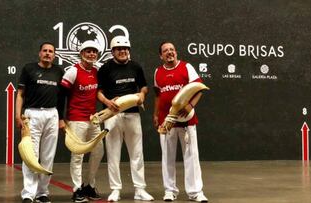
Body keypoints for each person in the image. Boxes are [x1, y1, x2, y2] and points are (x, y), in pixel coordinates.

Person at [97, 35, 154, 202]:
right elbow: (98, 92)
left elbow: (144, 86)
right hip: (112, 115)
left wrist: (142, 94)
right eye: (119, 49)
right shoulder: (105, 68)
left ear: (129, 51)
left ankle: (140, 189)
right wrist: (107, 102)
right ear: (113, 51)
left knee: (137, 153)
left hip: (133, 114)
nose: (123, 51)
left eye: (125, 49)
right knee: (113, 154)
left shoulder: (135, 66)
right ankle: (115, 190)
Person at [153, 42, 208, 202]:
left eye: (172, 49)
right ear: (161, 55)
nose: (169, 52)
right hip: (166, 121)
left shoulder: (187, 67)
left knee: (191, 156)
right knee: (167, 157)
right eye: (165, 51)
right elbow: (158, 95)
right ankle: (170, 190)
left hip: (186, 121)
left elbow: (200, 88)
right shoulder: (158, 72)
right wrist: (156, 115)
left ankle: (196, 192)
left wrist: (191, 105)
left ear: (176, 52)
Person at [15, 42, 65, 203]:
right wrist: (18, 115)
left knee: (48, 156)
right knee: (31, 155)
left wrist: (61, 118)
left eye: (51, 51)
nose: (47, 53)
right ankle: (28, 194)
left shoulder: (59, 71)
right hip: (32, 114)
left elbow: (61, 98)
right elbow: (20, 94)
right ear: (39, 53)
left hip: (52, 114)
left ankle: (42, 192)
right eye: (45, 51)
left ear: (54, 55)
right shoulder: (29, 69)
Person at [60, 40, 104, 203]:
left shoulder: (96, 72)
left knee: (98, 152)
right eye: (88, 51)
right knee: (77, 155)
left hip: (93, 119)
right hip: (76, 119)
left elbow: (98, 93)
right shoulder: (73, 71)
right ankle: (77, 189)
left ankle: (89, 185)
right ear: (81, 54)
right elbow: (61, 95)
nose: (92, 54)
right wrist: (61, 118)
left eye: (94, 51)